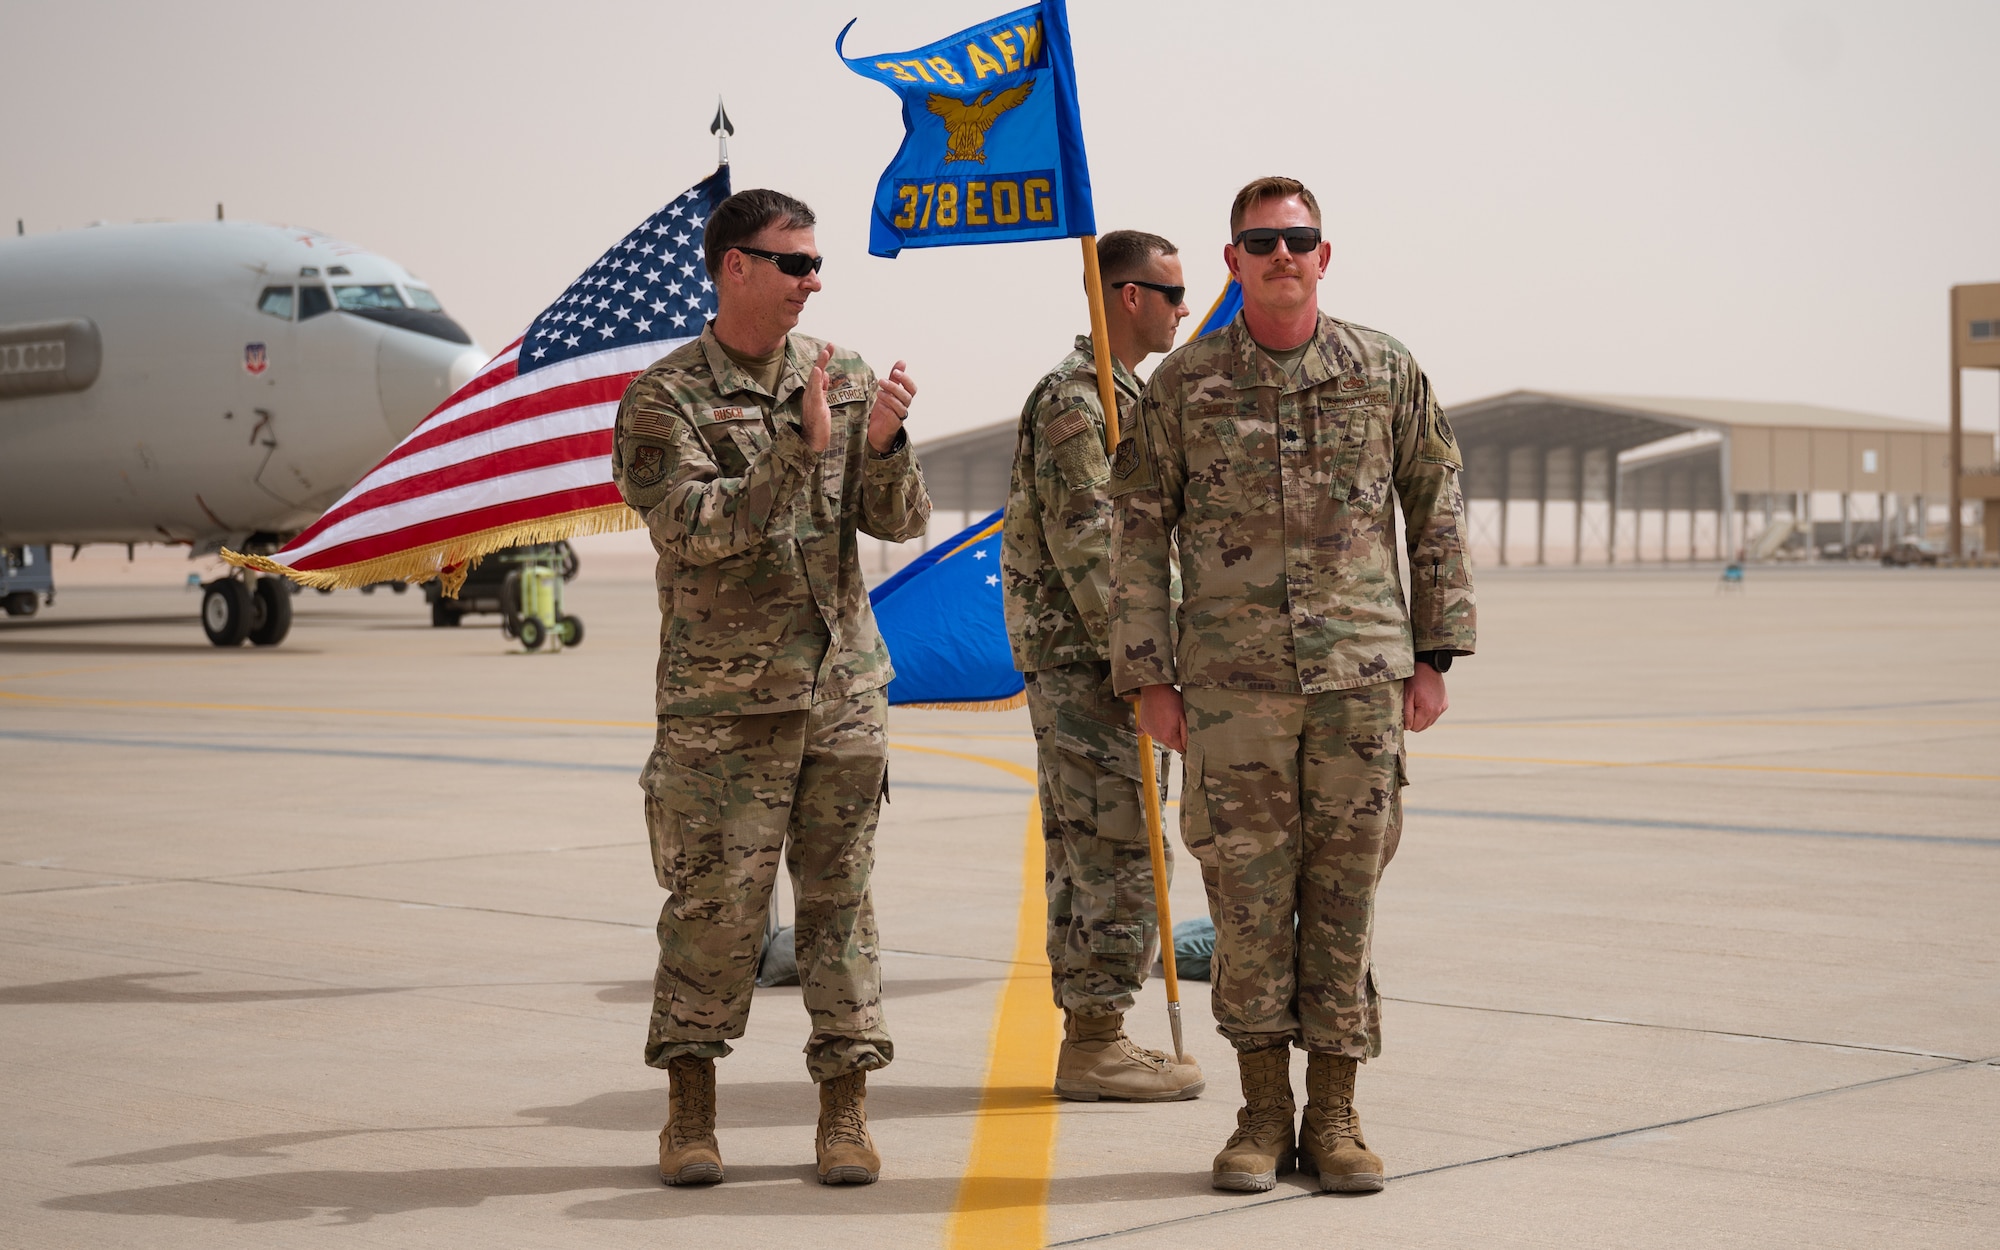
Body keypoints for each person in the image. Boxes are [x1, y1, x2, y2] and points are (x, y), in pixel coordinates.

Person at [1107, 176, 1476, 1194]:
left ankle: (1339, 1113)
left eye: (1297, 239)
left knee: (1344, 895)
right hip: (1228, 692)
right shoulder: (1184, 385)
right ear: (1230, 261)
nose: (1281, 255)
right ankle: (1261, 1113)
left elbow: (1433, 502)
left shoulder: (1382, 369)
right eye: (1260, 241)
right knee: (1245, 899)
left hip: (1359, 679)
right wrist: (1147, 674)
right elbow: (1135, 533)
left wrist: (1434, 653)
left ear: (1324, 254)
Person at [610, 187, 932, 1189]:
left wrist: (879, 446)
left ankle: (844, 1113)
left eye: (814, 263)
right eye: (791, 263)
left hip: (839, 693)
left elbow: (899, 516)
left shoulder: (839, 374)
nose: (812, 280)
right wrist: (797, 451)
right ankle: (690, 1111)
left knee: (840, 911)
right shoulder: (662, 400)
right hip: (723, 708)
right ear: (733, 266)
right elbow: (696, 527)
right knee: (713, 910)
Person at [1000, 230, 1205, 1102]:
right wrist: (1151, 668)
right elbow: (1095, 556)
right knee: (1118, 847)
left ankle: (1095, 1031)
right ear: (1126, 296)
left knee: (1095, 845)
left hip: (1105, 662)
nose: (1183, 310)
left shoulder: (1127, 397)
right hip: (1095, 666)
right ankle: (1096, 1042)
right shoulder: (1077, 404)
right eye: (1170, 294)